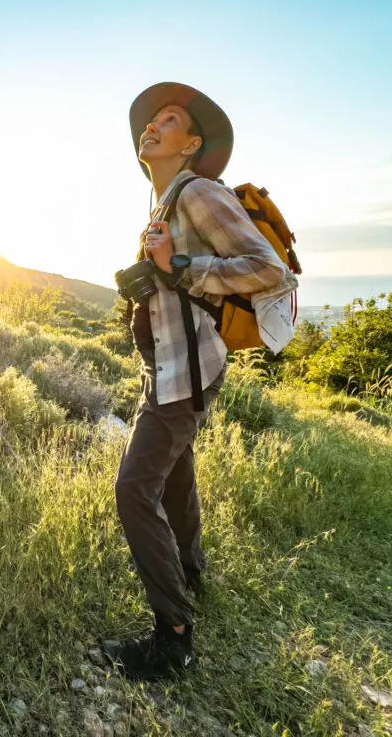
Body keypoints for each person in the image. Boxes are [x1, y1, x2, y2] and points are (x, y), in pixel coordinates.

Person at [106, 82, 289, 680]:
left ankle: (173, 634)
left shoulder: (199, 193)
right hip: (166, 365)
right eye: (151, 120)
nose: (153, 127)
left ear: (191, 145)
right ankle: (191, 570)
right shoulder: (160, 207)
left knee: (135, 489)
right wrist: (148, 279)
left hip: (185, 371)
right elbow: (175, 284)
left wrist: (181, 265)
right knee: (174, 477)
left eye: (170, 120)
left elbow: (270, 271)